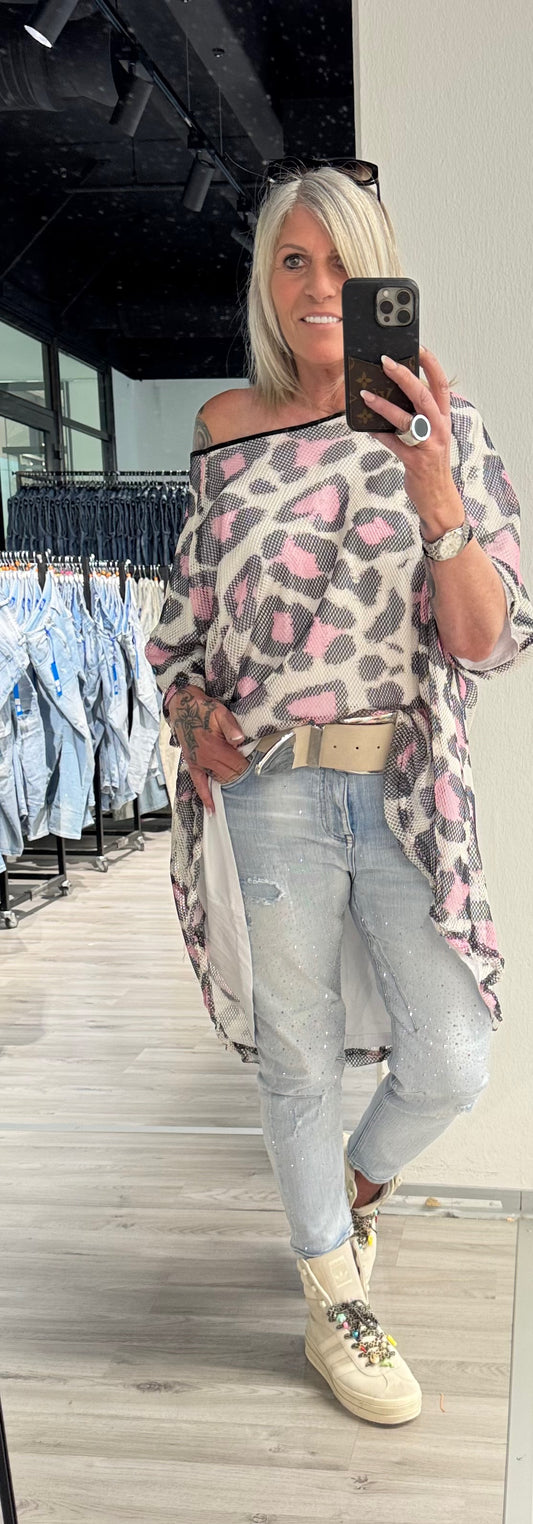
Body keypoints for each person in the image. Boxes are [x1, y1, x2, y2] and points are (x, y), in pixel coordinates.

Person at [146, 164, 533, 1427]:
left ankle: (353, 1190)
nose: (319, 287)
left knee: (453, 1055)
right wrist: (193, 718)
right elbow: (184, 625)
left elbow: (484, 640)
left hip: (404, 791)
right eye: (292, 262)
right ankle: (332, 1296)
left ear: (381, 277)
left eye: (342, 262)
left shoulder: (446, 426)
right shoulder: (224, 428)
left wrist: (433, 485)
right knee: (296, 1055)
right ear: (266, 283)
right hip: (268, 797)